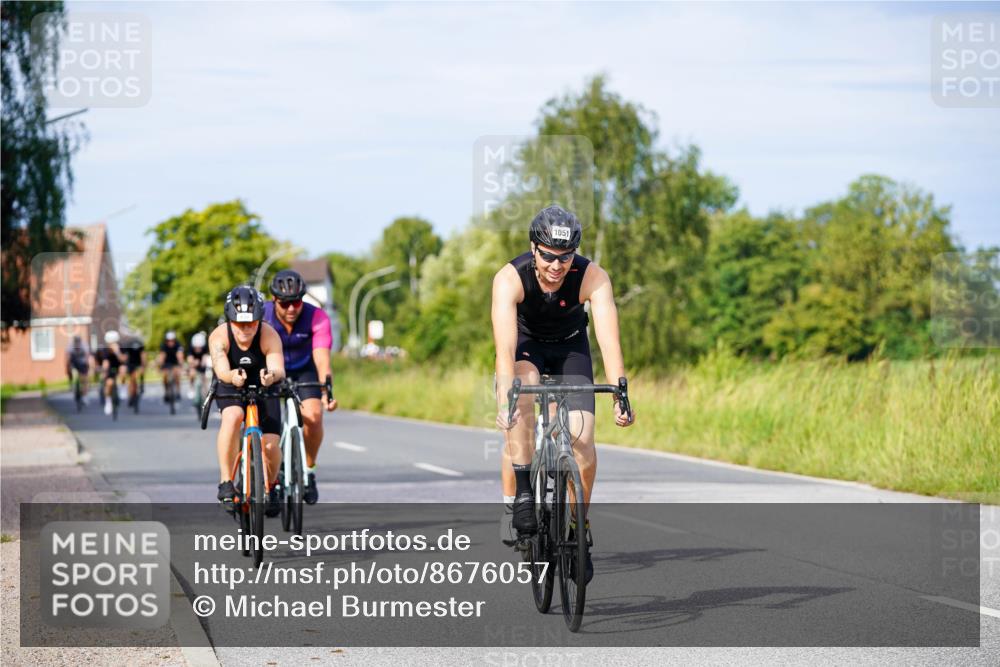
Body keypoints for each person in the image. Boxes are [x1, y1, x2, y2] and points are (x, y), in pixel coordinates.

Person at [491, 205, 635, 584]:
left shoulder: (592, 276)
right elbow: (504, 348)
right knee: (522, 400)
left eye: (566, 257)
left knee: (582, 440)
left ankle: (577, 527)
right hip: (527, 347)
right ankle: (522, 495)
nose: (557, 266)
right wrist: (505, 396)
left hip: (571, 349)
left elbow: (608, 338)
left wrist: (620, 390)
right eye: (550, 256)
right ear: (534, 249)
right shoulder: (510, 278)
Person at [263, 269, 337, 504]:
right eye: (285, 304)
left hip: (305, 370)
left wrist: (326, 390)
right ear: (274, 299)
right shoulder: (262, 315)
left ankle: (309, 468)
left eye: (296, 302)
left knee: (314, 416)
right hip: (271, 371)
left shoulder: (317, 317)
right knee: (265, 428)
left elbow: (322, 357)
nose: (292, 309)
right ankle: (268, 481)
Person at [210, 286, 286, 517]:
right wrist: (232, 376)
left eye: (251, 323)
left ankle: (271, 485)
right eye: (239, 324)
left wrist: (270, 376)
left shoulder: (269, 334)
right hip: (230, 382)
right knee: (233, 416)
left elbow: (278, 368)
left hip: (264, 384)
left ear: (260, 320)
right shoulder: (219, 335)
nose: (245, 329)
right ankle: (226, 481)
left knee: (271, 446)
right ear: (230, 321)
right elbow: (222, 368)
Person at [96, 330, 126, 415]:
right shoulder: (105, 350)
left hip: (119, 366)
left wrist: (117, 352)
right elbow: (105, 362)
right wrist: (104, 371)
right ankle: (108, 402)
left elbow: (123, 359)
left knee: (123, 369)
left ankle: (122, 388)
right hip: (110, 368)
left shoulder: (121, 347)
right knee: (109, 384)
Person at [157, 331, 185, 403]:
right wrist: (160, 365)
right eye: (169, 341)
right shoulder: (163, 346)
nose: (171, 342)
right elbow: (162, 356)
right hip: (167, 363)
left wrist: (181, 364)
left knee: (176, 375)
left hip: (175, 363)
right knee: (165, 376)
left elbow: (180, 355)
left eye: (172, 340)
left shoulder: (178, 345)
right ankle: (166, 392)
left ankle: (178, 391)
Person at [65, 335, 92, 403]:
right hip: (73, 361)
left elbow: (87, 356)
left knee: (84, 379)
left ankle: (85, 396)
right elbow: (67, 357)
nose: (77, 344)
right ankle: (71, 383)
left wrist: (87, 366)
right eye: (75, 342)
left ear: (80, 342)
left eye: (78, 342)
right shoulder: (70, 346)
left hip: (82, 362)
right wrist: (67, 368)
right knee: (70, 369)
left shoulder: (84, 345)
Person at [122, 334, 146, 408]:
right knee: (132, 380)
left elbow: (143, 355)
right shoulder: (127, 343)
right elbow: (125, 356)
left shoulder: (139, 343)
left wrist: (143, 365)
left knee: (139, 374)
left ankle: (141, 384)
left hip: (137, 363)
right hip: (130, 364)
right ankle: (131, 396)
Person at [186, 331, 210, 400]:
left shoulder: (205, 347)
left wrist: (202, 363)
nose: (198, 349)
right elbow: (189, 359)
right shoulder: (191, 348)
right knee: (192, 373)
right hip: (193, 362)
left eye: (200, 347)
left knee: (204, 377)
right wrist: (193, 363)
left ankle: (206, 394)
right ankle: (191, 387)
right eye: (196, 347)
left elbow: (205, 357)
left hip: (201, 362)